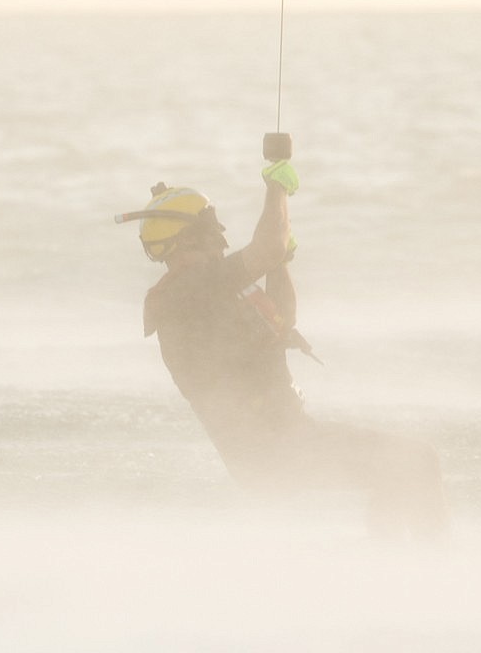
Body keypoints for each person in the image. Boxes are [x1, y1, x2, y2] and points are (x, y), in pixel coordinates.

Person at [116, 155, 449, 539]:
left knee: (398, 471)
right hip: (275, 452)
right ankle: (433, 562)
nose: (219, 242)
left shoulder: (207, 291)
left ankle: (392, 560)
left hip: (285, 443)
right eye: (210, 231)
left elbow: (283, 317)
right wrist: (277, 186)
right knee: (418, 461)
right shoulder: (189, 290)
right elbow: (267, 246)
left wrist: (281, 261)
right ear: (189, 238)